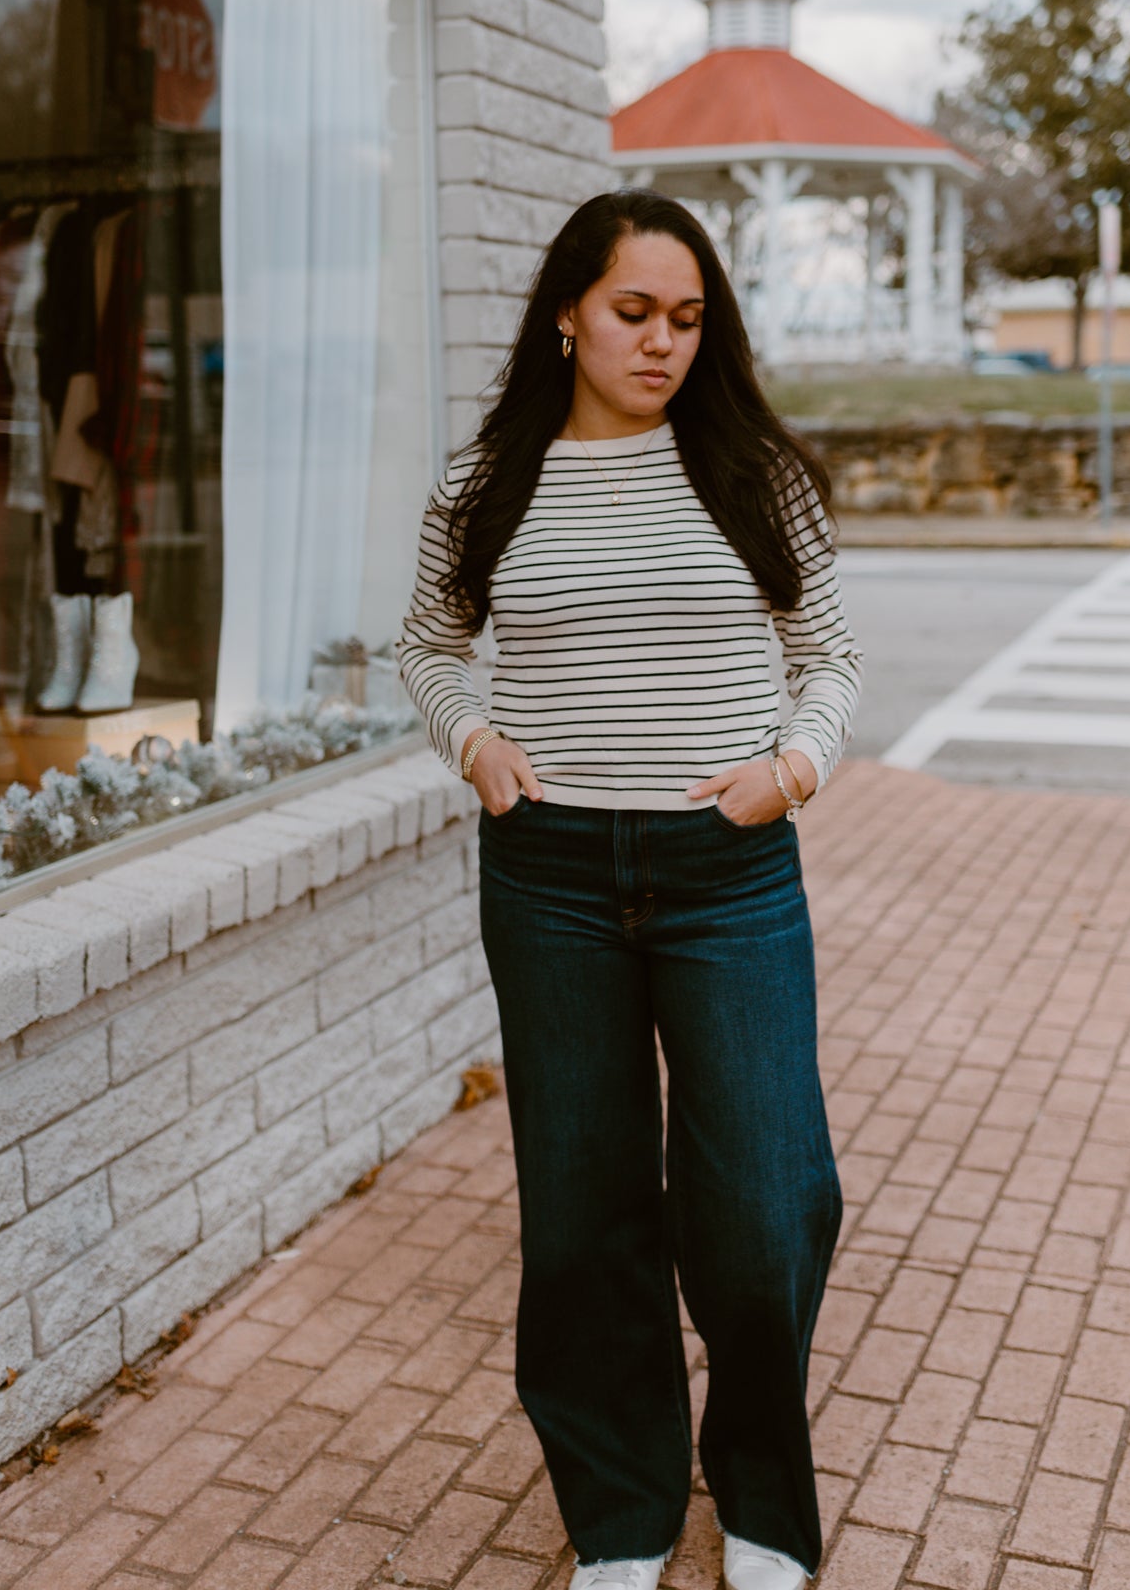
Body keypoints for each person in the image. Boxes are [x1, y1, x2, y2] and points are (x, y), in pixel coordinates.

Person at [398, 189, 862, 1590]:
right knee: (584, 1196)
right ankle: (622, 1507)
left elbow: (829, 655)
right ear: (565, 314)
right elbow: (426, 646)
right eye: (633, 313)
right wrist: (476, 746)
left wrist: (792, 771)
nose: (662, 343)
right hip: (548, 877)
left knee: (770, 1194)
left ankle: (765, 1498)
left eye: (686, 318)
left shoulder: (751, 474)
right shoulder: (487, 485)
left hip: (728, 872)